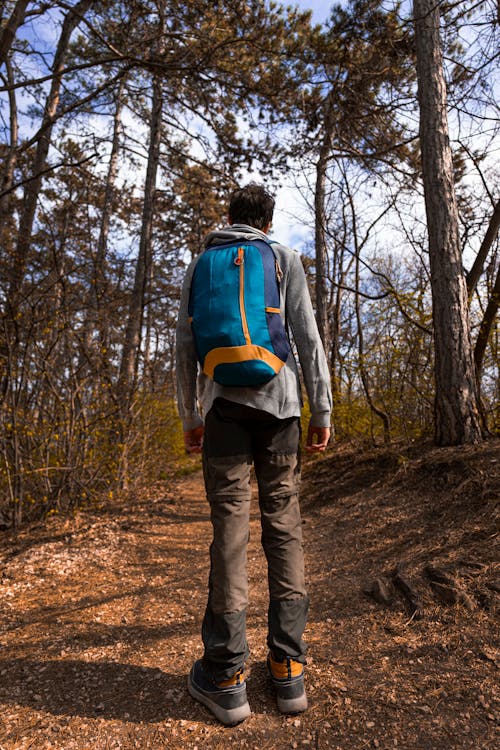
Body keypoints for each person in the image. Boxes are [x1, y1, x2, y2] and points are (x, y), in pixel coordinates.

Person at [176, 183, 332, 726]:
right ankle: (288, 670)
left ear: (228, 217)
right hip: (281, 406)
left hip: (222, 411)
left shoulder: (201, 265)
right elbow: (307, 338)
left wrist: (191, 417)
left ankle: (226, 678)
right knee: (283, 528)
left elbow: (186, 346)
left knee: (230, 533)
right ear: (267, 222)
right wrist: (322, 410)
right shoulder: (282, 258)